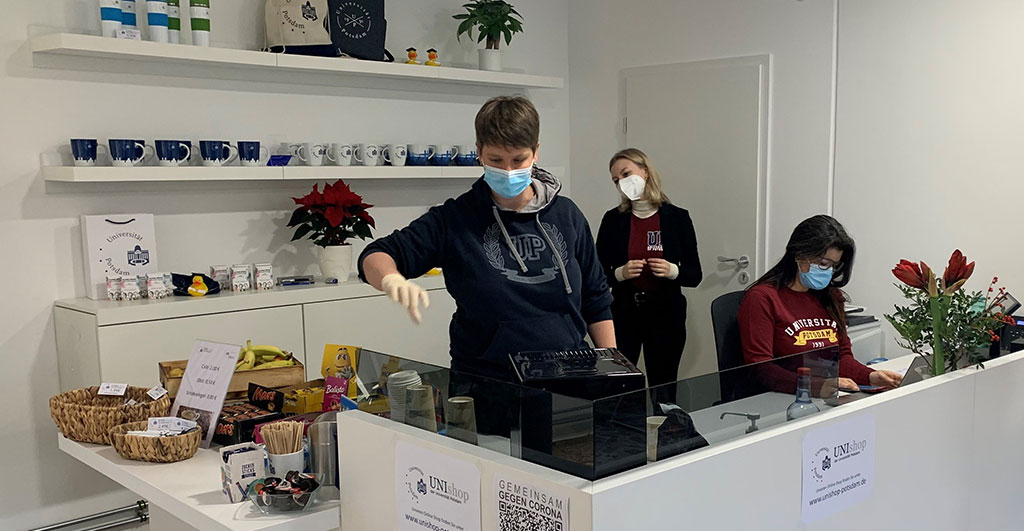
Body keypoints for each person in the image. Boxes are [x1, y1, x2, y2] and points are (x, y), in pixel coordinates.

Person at [357, 95, 615, 383]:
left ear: (536, 152)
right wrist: (390, 279)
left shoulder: (567, 215)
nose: (508, 171)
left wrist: (612, 367)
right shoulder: (455, 219)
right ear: (479, 152)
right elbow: (376, 255)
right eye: (496, 160)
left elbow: (596, 298)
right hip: (488, 382)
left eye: (518, 159)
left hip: (568, 377)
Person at [738, 215, 903, 393]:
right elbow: (761, 369)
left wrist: (869, 376)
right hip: (781, 396)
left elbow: (842, 357)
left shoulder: (831, 297)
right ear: (799, 254)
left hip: (823, 395)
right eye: (823, 263)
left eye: (834, 266)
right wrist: (817, 386)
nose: (828, 271)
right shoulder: (762, 298)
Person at [595, 148, 702, 390]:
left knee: (663, 386)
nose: (622, 183)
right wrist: (620, 273)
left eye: (626, 174)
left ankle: (664, 416)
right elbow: (596, 275)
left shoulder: (677, 218)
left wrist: (672, 271)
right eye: (616, 180)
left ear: (645, 171)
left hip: (666, 313)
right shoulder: (613, 220)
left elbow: (695, 275)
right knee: (618, 386)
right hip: (624, 312)